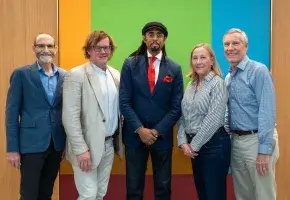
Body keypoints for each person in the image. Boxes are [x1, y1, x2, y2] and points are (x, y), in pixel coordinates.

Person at [119, 21, 183, 200]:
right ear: (144, 38)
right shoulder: (130, 64)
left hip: (161, 137)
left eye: (159, 35)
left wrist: (156, 131)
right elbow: (124, 102)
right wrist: (140, 129)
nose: (155, 38)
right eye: (151, 34)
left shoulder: (175, 69)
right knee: (133, 188)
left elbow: (176, 107)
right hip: (134, 136)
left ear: (164, 39)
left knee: (163, 188)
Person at [62, 30, 123, 200]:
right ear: (88, 50)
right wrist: (81, 150)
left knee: (100, 193)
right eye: (98, 48)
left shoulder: (115, 74)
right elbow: (70, 117)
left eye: (107, 47)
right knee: (88, 195)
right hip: (86, 147)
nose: (103, 51)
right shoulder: (76, 75)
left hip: (109, 145)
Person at [5, 33, 66, 200]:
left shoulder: (64, 76)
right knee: (29, 194)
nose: (45, 50)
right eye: (41, 46)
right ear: (34, 49)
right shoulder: (21, 74)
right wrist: (12, 149)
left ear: (55, 49)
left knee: (46, 193)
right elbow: (11, 114)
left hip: (56, 144)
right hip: (30, 145)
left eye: (49, 46)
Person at [223, 28, 279, 200]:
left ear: (245, 47)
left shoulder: (258, 71)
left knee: (264, 194)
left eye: (235, 43)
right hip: (237, 142)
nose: (230, 48)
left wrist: (264, 151)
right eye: (226, 44)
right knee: (243, 195)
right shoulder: (229, 77)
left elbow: (267, 112)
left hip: (257, 140)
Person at [177, 43, 230, 200]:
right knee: (203, 193)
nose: (198, 61)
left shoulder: (218, 83)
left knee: (214, 194)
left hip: (214, 146)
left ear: (212, 60)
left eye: (203, 57)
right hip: (195, 148)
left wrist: (193, 145)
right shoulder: (191, 85)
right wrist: (182, 141)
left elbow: (214, 119)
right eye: (195, 58)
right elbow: (183, 115)